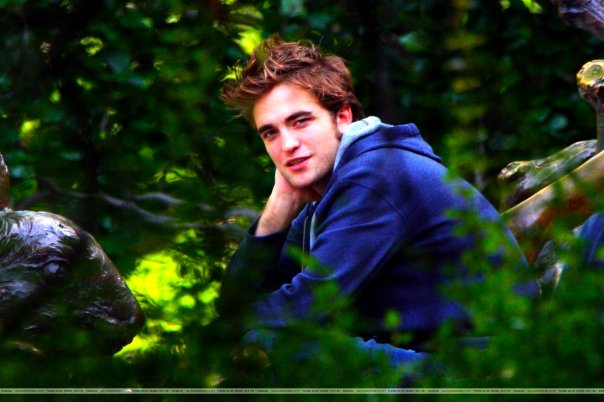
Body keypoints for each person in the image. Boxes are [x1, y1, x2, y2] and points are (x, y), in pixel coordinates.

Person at [219, 36, 528, 378]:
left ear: (342, 117)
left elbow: (303, 309)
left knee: (279, 344)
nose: (288, 144)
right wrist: (279, 206)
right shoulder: (326, 194)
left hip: (484, 371)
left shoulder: (375, 177)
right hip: (437, 361)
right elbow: (236, 305)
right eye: (270, 133)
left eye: (300, 121)